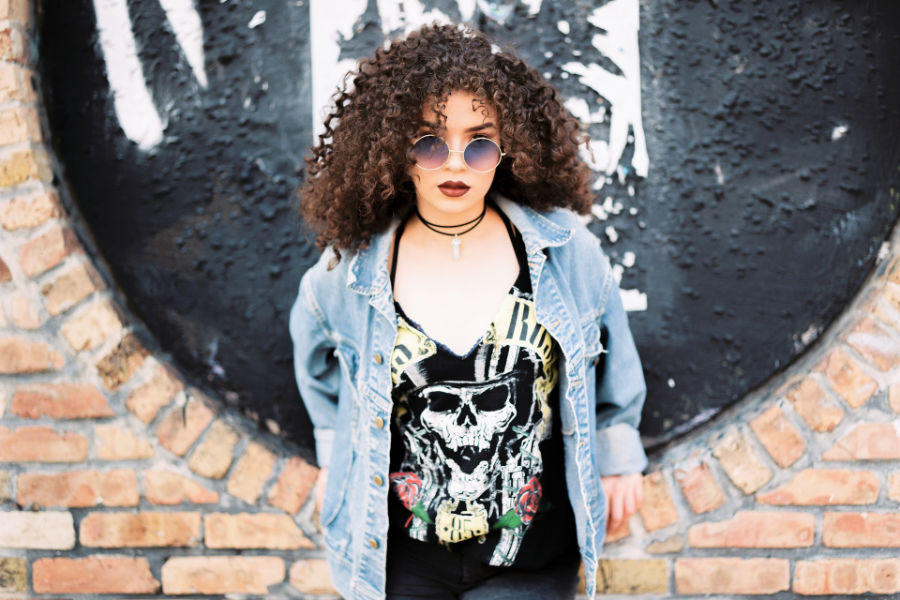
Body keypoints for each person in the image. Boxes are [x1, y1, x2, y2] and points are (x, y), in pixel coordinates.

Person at [290, 23, 647, 600]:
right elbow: (317, 351)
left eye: (478, 142)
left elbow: (608, 345)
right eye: (430, 142)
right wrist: (339, 450)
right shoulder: (351, 273)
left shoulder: (563, 253)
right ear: (393, 148)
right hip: (400, 558)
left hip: (530, 554)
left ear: (510, 149)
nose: (454, 162)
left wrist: (617, 449)